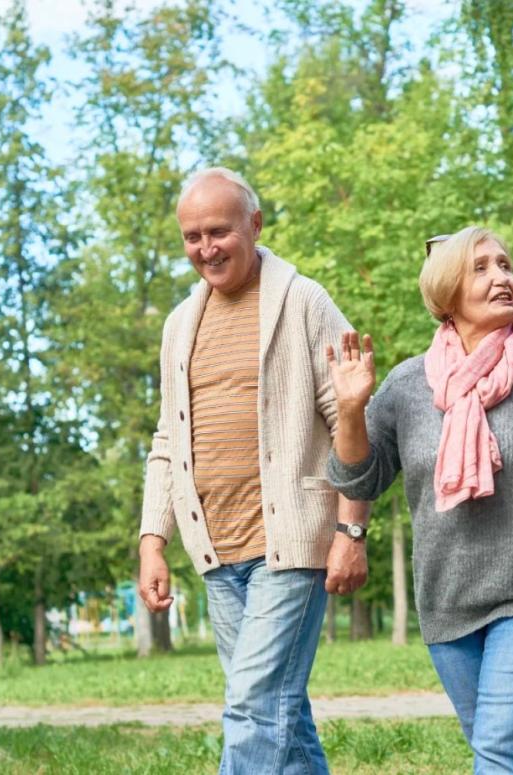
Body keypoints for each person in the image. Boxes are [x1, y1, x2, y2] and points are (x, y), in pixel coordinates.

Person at [325, 226, 513, 774]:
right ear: (446, 292)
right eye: (481, 268)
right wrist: (349, 410)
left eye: (506, 265)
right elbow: (358, 480)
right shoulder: (407, 385)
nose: (503, 277)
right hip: (450, 601)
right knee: (512, 754)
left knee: (501, 752)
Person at [137, 167, 370, 774]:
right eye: (192, 236)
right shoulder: (179, 326)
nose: (206, 248)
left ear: (255, 224)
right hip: (216, 551)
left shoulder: (304, 301)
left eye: (219, 231)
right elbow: (168, 440)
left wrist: (351, 531)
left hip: (290, 545)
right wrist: (151, 542)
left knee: (252, 709)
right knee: (282, 719)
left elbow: (350, 418)